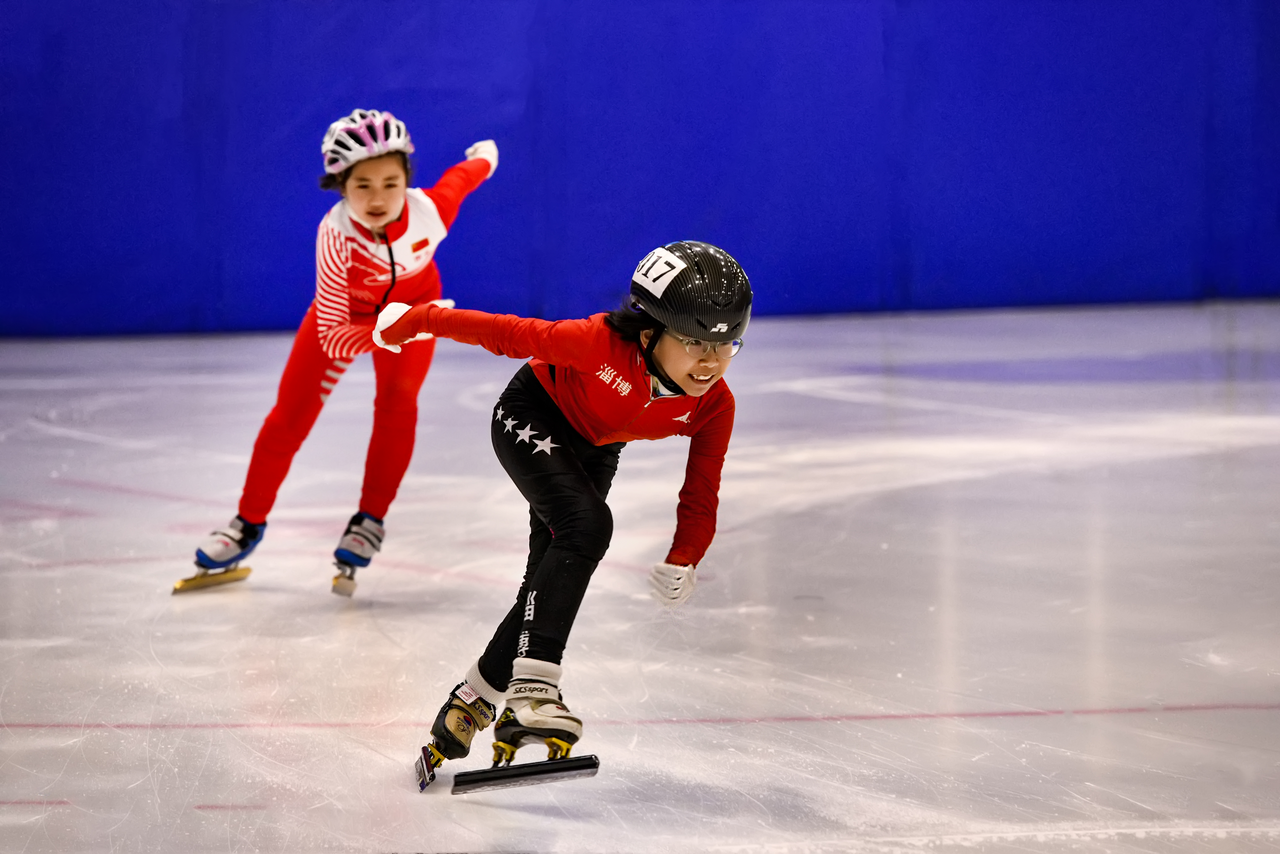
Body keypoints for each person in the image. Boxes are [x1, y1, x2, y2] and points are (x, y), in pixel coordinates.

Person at [372, 240, 752, 786]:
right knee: (587, 525)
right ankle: (534, 689)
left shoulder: (715, 405)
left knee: (545, 579)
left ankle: (472, 700)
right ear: (649, 332)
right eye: (694, 342)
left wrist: (686, 555)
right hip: (531, 415)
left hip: (594, 448)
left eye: (727, 344)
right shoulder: (596, 343)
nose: (711, 361)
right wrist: (419, 319)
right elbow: (506, 332)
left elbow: (701, 491)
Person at [183, 109, 498, 596]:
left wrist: (483, 156)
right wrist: (399, 327)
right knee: (288, 418)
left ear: (407, 180)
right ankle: (247, 522)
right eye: (363, 185)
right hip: (346, 319)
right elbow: (333, 336)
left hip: (413, 312)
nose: (378, 198)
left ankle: (369, 518)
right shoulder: (336, 236)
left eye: (390, 183)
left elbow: (464, 178)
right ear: (340, 185)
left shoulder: (430, 211)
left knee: (398, 405)